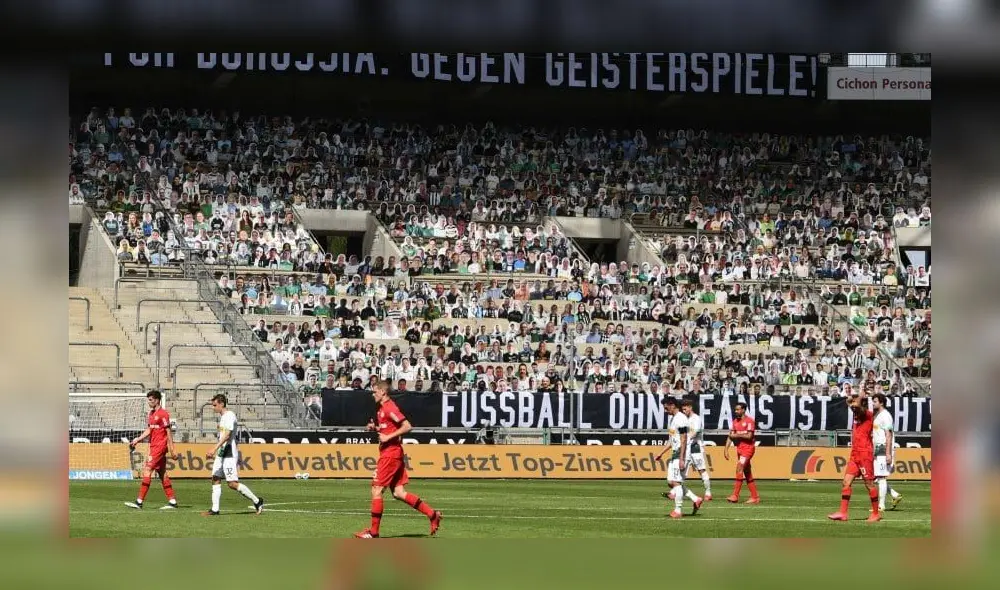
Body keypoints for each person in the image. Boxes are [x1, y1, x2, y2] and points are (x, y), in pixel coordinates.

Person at [354, 380, 443, 538]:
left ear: (383, 392)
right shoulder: (382, 409)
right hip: (392, 453)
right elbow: (389, 427)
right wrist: (375, 428)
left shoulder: (390, 407)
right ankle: (432, 514)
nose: (373, 394)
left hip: (391, 454)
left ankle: (373, 532)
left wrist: (388, 437)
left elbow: (407, 426)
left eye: (375, 391)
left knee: (376, 490)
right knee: (398, 492)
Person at [202, 394, 265, 516]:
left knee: (232, 483)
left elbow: (227, 435)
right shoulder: (223, 417)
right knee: (215, 478)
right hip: (222, 452)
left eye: (215, 405)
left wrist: (214, 448)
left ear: (221, 404)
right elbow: (223, 435)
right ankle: (215, 509)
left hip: (229, 452)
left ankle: (257, 501)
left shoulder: (230, 416)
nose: (213, 408)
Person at [828, 394, 881, 522]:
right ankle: (843, 513)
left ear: (862, 404)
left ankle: (875, 513)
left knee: (869, 484)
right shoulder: (856, 413)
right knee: (846, 482)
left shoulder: (867, 414)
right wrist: (852, 399)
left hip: (865, 454)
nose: (853, 407)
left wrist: (859, 396)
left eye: (856, 403)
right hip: (855, 454)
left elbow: (855, 405)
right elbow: (850, 403)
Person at [124, 390, 178, 509]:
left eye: (151, 400)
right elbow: (149, 430)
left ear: (157, 400)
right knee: (162, 473)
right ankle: (172, 501)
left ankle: (139, 501)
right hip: (153, 446)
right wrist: (138, 439)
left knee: (147, 470)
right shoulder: (151, 414)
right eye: (148, 399)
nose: (149, 402)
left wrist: (172, 449)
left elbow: (168, 432)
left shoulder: (163, 414)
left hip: (160, 447)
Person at [661, 396, 702, 518]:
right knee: (671, 482)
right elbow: (672, 439)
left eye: (666, 407)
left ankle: (678, 510)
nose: (665, 410)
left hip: (681, 453)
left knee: (676, 482)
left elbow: (684, 438)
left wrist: (682, 458)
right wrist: (661, 453)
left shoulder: (681, 419)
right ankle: (696, 499)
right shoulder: (673, 419)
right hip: (675, 453)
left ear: (672, 405)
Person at [871, 393, 903, 514]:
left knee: (881, 477)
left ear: (881, 402)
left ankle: (881, 505)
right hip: (878, 449)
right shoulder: (878, 416)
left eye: (875, 401)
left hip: (883, 449)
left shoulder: (886, 416)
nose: (873, 403)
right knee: (878, 477)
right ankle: (894, 495)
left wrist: (888, 453)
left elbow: (888, 435)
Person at [724, 402, 760, 504]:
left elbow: (749, 436)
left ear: (743, 410)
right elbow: (730, 436)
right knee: (747, 473)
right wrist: (726, 449)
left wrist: (736, 436)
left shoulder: (749, 421)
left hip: (748, 449)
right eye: (735, 410)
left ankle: (735, 495)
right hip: (740, 450)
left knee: (739, 468)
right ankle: (755, 497)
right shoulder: (735, 421)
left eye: (738, 409)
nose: (736, 411)